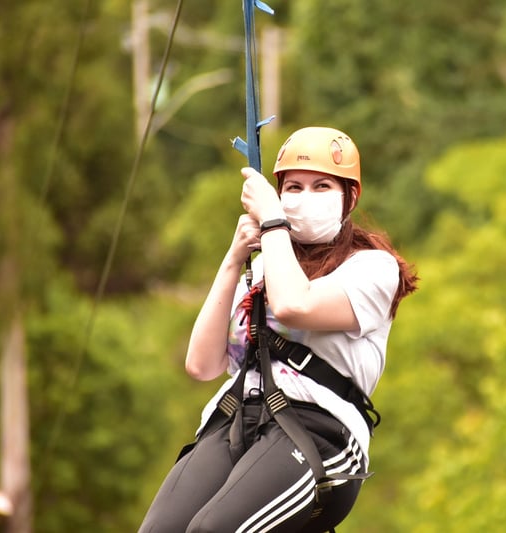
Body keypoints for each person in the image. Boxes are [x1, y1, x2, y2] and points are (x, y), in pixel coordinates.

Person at [139, 126, 418, 532]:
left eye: (322, 187)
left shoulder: (373, 268)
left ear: (350, 197)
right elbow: (201, 364)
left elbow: (293, 305)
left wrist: (272, 221)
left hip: (320, 432)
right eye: (294, 188)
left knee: (213, 530)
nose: (305, 199)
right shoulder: (265, 266)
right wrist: (234, 258)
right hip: (237, 418)